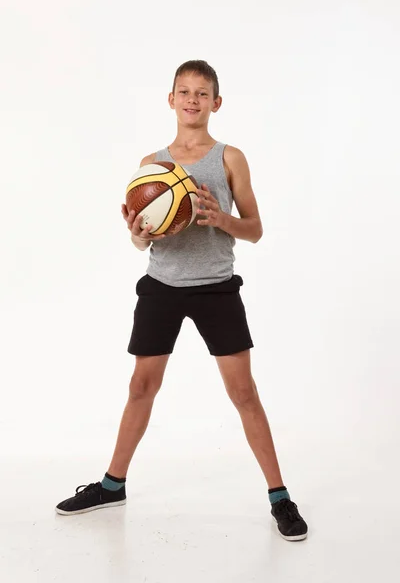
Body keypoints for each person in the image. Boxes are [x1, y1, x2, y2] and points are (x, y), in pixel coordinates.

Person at [55, 60, 308, 542]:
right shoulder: (152, 164)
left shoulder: (230, 157)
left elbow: (255, 229)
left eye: (203, 93)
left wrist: (223, 220)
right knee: (140, 388)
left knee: (244, 394)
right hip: (162, 285)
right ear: (170, 100)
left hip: (216, 286)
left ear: (216, 102)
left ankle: (280, 497)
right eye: (184, 91)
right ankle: (112, 486)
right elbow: (143, 241)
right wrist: (136, 235)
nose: (193, 100)